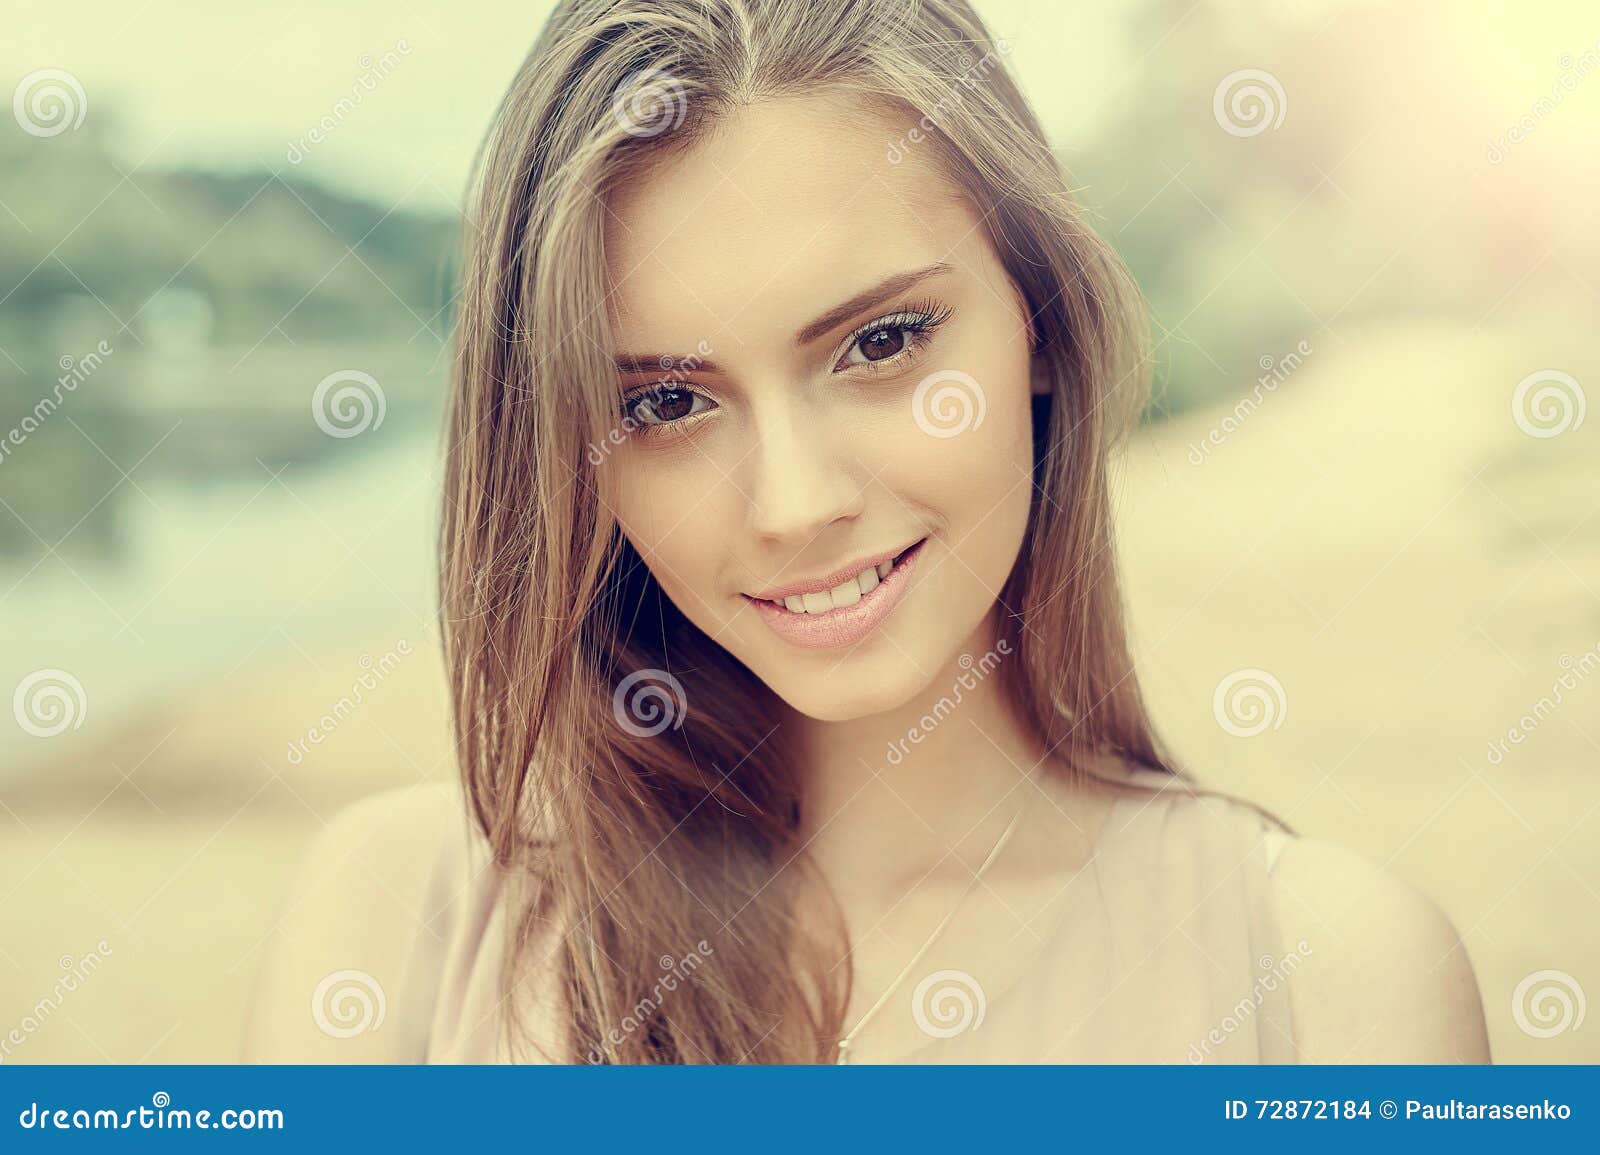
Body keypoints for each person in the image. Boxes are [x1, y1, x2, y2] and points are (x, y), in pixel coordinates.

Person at [243, 0, 1490, 1065]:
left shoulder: (1336, 983)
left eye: (880, 343)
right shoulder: (401, 923)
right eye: (665, 404)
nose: (794, 504)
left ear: (1040, 323)